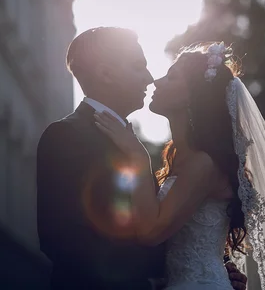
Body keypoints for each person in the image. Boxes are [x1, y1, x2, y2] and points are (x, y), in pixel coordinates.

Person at [94, 42, 265, 289]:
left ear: (192, 96)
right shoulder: (182, 159)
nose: (157, 82)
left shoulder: (203, 163)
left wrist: (138, 159)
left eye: (171, 78)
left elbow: (151, 232)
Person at [36, 28, 248, 290]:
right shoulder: (67, 135)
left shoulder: (143, 148)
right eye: (139, 67)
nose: (150, 78)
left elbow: (171, 226)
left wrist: (211, 268)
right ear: (106, 74)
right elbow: (61, 240)